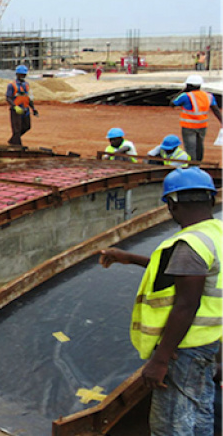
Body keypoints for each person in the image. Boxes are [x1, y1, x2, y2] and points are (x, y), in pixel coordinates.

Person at [98, 167, 221, 435]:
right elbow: (184, 272)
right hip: (209, 343)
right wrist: (129, 258)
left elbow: (186, 304)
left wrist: (161, 359)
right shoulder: (216, 234)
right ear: (210, 199)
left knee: (171, 424)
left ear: (172, 203)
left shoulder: (190, 243)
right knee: (200, 414)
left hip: (183, 350)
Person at [172, 75, 222, 162]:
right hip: (202, 126)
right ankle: (198, 164)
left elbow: (173, 103)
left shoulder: (186, 96)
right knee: (199, 146)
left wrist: (182, 91)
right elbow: (216, 110)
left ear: (188, 85)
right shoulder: (209, 96)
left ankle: (192, 166)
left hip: (188, 126)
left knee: (190, 147)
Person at [5, 65, 38, 145]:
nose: (23, 76)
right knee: (17, 129)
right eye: (21, 74)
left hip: (25, 110)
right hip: (16, 111)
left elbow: (28, 97)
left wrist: (33, 108)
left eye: (24, 75)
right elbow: (8, 97)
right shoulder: (12, 85)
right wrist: (15, 107)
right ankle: (17, 146)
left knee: (27, 126)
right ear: (17, 74)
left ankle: (13, 140)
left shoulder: (26, 85)